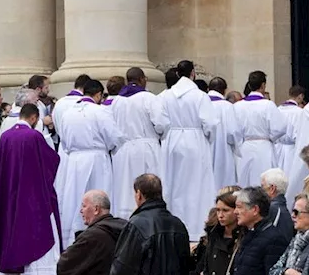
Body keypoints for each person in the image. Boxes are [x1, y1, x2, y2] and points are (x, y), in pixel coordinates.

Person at [0, 103, 63, 275]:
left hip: (11, 193)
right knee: (36, 231)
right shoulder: (34, 136)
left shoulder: (5, 137)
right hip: (33, 194)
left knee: (14, 230)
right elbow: (51, 161)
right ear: (34, 118)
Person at [54, 80, 124, 248]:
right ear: (98, 95)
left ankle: (72, 240)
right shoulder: (100, 111)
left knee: (75, 200)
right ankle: (99, 236)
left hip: (74, 161)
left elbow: (63, 141)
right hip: (96, 160)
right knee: (98, 197)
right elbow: (114, 137)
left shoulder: (68, 113)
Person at [158, 62, 218, 243]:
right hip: (195, 140)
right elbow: (211, 124)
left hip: (172, 140)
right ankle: (196, 227)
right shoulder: (200, 96)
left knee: (173, 184)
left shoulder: (164, 96)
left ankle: (172, 225)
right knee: (196, 184)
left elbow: (160, 122)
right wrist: (206, 138)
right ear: (192, 74)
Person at [108, 68, 168, 219]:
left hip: (123, 150)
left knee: (125, 188)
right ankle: (151, 218)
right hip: (147, 147)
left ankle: (125, 218)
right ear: (142, 79)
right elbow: (161, 123)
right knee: (149, 184)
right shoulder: (148, 98)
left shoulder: (117, 101)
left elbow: (111, 127)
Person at [234, 71, 285, 189]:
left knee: (245, 181)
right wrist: (270, 137)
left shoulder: (237, 106)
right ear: (263, 85)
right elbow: (280, 128)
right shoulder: (268, 105)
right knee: (265, 180)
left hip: (245, 147)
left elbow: (234, 129)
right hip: (264, 147)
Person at [206, 78, 243, 190]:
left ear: (209, 89)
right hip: (223, 150)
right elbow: (233, 132)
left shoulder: (201, 102)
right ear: (224, 90)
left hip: (203, 149)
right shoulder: (227, 106)